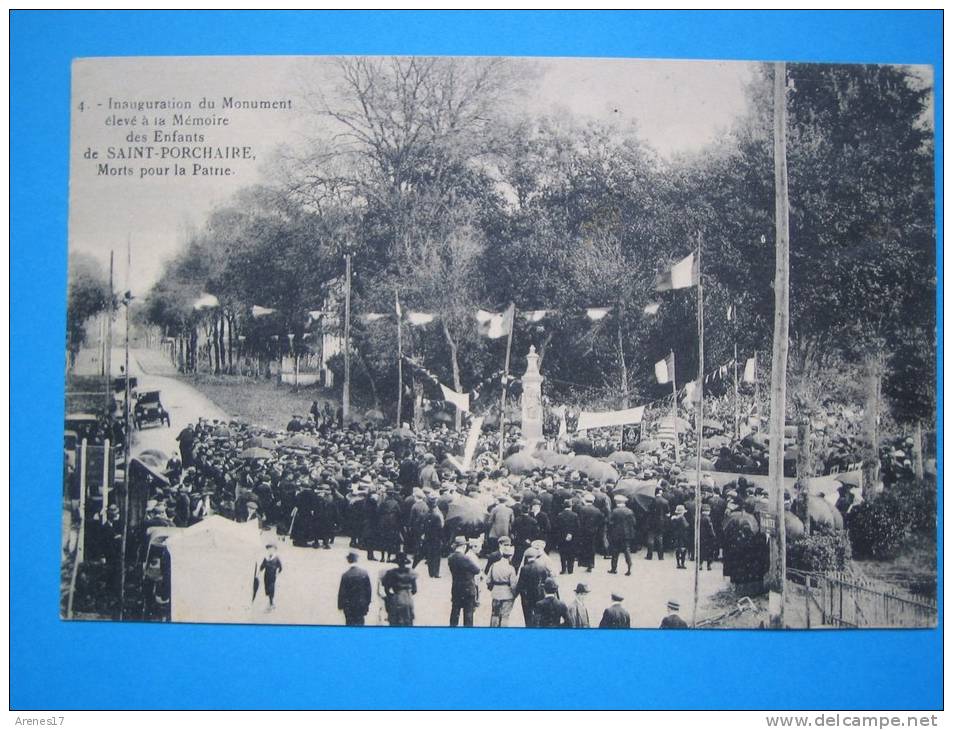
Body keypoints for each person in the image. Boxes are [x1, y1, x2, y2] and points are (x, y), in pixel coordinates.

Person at [447, 536, 482, 627]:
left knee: (455, 611)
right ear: (463, 546)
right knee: (468, 614)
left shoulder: (451, 557)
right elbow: (477, 570)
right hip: (468, 589)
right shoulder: (465, 558)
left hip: (456, 587)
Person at [515, 547, 550, 628]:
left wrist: (515, 593)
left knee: (528, 616)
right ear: (536, 557)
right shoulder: (542, 567)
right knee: (539, 614)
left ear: (527, 558)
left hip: (527, 597)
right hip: (539, 595)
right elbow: (546, 581)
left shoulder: (524, 569)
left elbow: (521, 584)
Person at [486, 540, 518, 627]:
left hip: (496, 593)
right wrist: (514, 594)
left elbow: (488, 580)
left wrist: (492, 589)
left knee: (495, 614)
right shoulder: (511, 568)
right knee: (505, 616)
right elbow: (513, 584)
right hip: (507, 594)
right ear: (510, 557)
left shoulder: (494, 565)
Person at [381, 553, 417, 627]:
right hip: (408, 598)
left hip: (397, 598)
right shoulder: (411, 573)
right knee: (408, 621)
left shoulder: (391, 573)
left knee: (396, 621)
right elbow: (414, 590)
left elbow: (386, 588)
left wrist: (390, 596)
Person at [337, 550, 372, 626]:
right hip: (361, 604)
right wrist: (367, 604)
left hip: (349, 606)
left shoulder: (346, 575)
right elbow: (368, 591)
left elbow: (342, 592)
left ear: (348, 560)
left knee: (349, 625)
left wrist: (340, 606)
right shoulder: (364, 573)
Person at [415, 495, 444, 578]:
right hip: (436, 538)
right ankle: (436, 573)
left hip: (428, 537)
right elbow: (440, 528)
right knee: (436, 556)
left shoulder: (426, 514)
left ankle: (431, 572)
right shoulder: (437, 515)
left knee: (430, 555)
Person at [607, 494, 637, 576]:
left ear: (617, 502)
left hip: (616, 534)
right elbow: (634, 522)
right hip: (627, 534)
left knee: (615, 551)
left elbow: (610, 522)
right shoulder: (629, 511)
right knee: (627, 550)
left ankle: (614, 568)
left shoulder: (614, 511)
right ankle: (629, 566)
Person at [576, 493, 604, 572]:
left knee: (584, 547)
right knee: (591, 547)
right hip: (593, 531)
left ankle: (583, 562)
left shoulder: (582, 509)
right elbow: (601, 520)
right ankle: (591, 563)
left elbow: (579, 520)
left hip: (583, 531)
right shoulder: (597, 510)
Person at [555, 501, 580, 575]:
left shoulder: (559, 515)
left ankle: (563, 569)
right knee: (571, 554)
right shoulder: (575, 515)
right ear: (571, 506)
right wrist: (571, 534)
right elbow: (577, 527)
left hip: (561, 537)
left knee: (562, 554)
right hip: (572, 538)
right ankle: (570, 569)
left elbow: (557, 527)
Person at [645, 487, 669, 560]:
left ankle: (649, 555)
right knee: (659, 538)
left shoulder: (652, 500)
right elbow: (667, 512)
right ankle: (660, 556)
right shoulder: (665, 501)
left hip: (652, 521)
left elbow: (648, 510)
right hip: (661, 521)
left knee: (651, 538)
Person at [258, 542, 283, 611]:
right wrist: (258, 573)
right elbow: (262, 566)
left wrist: (277, 573)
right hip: (266, 576)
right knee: (267, 589)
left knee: (271, 589)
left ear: (275, 550)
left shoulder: (276, 558)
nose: (270, 551)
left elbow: (280, 567)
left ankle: (271, 603)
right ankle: (271, 602)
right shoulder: (266, 558)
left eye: (272, 549)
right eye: (269, 549)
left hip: (272, 577)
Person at [671, 504, 691, 569]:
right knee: (683, 550)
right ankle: (682, 563)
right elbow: (686, 526)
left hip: (676, 535)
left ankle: (678, 563)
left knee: (677, 549)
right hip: (683, 535)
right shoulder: (682, 518)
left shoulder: (674, 518)